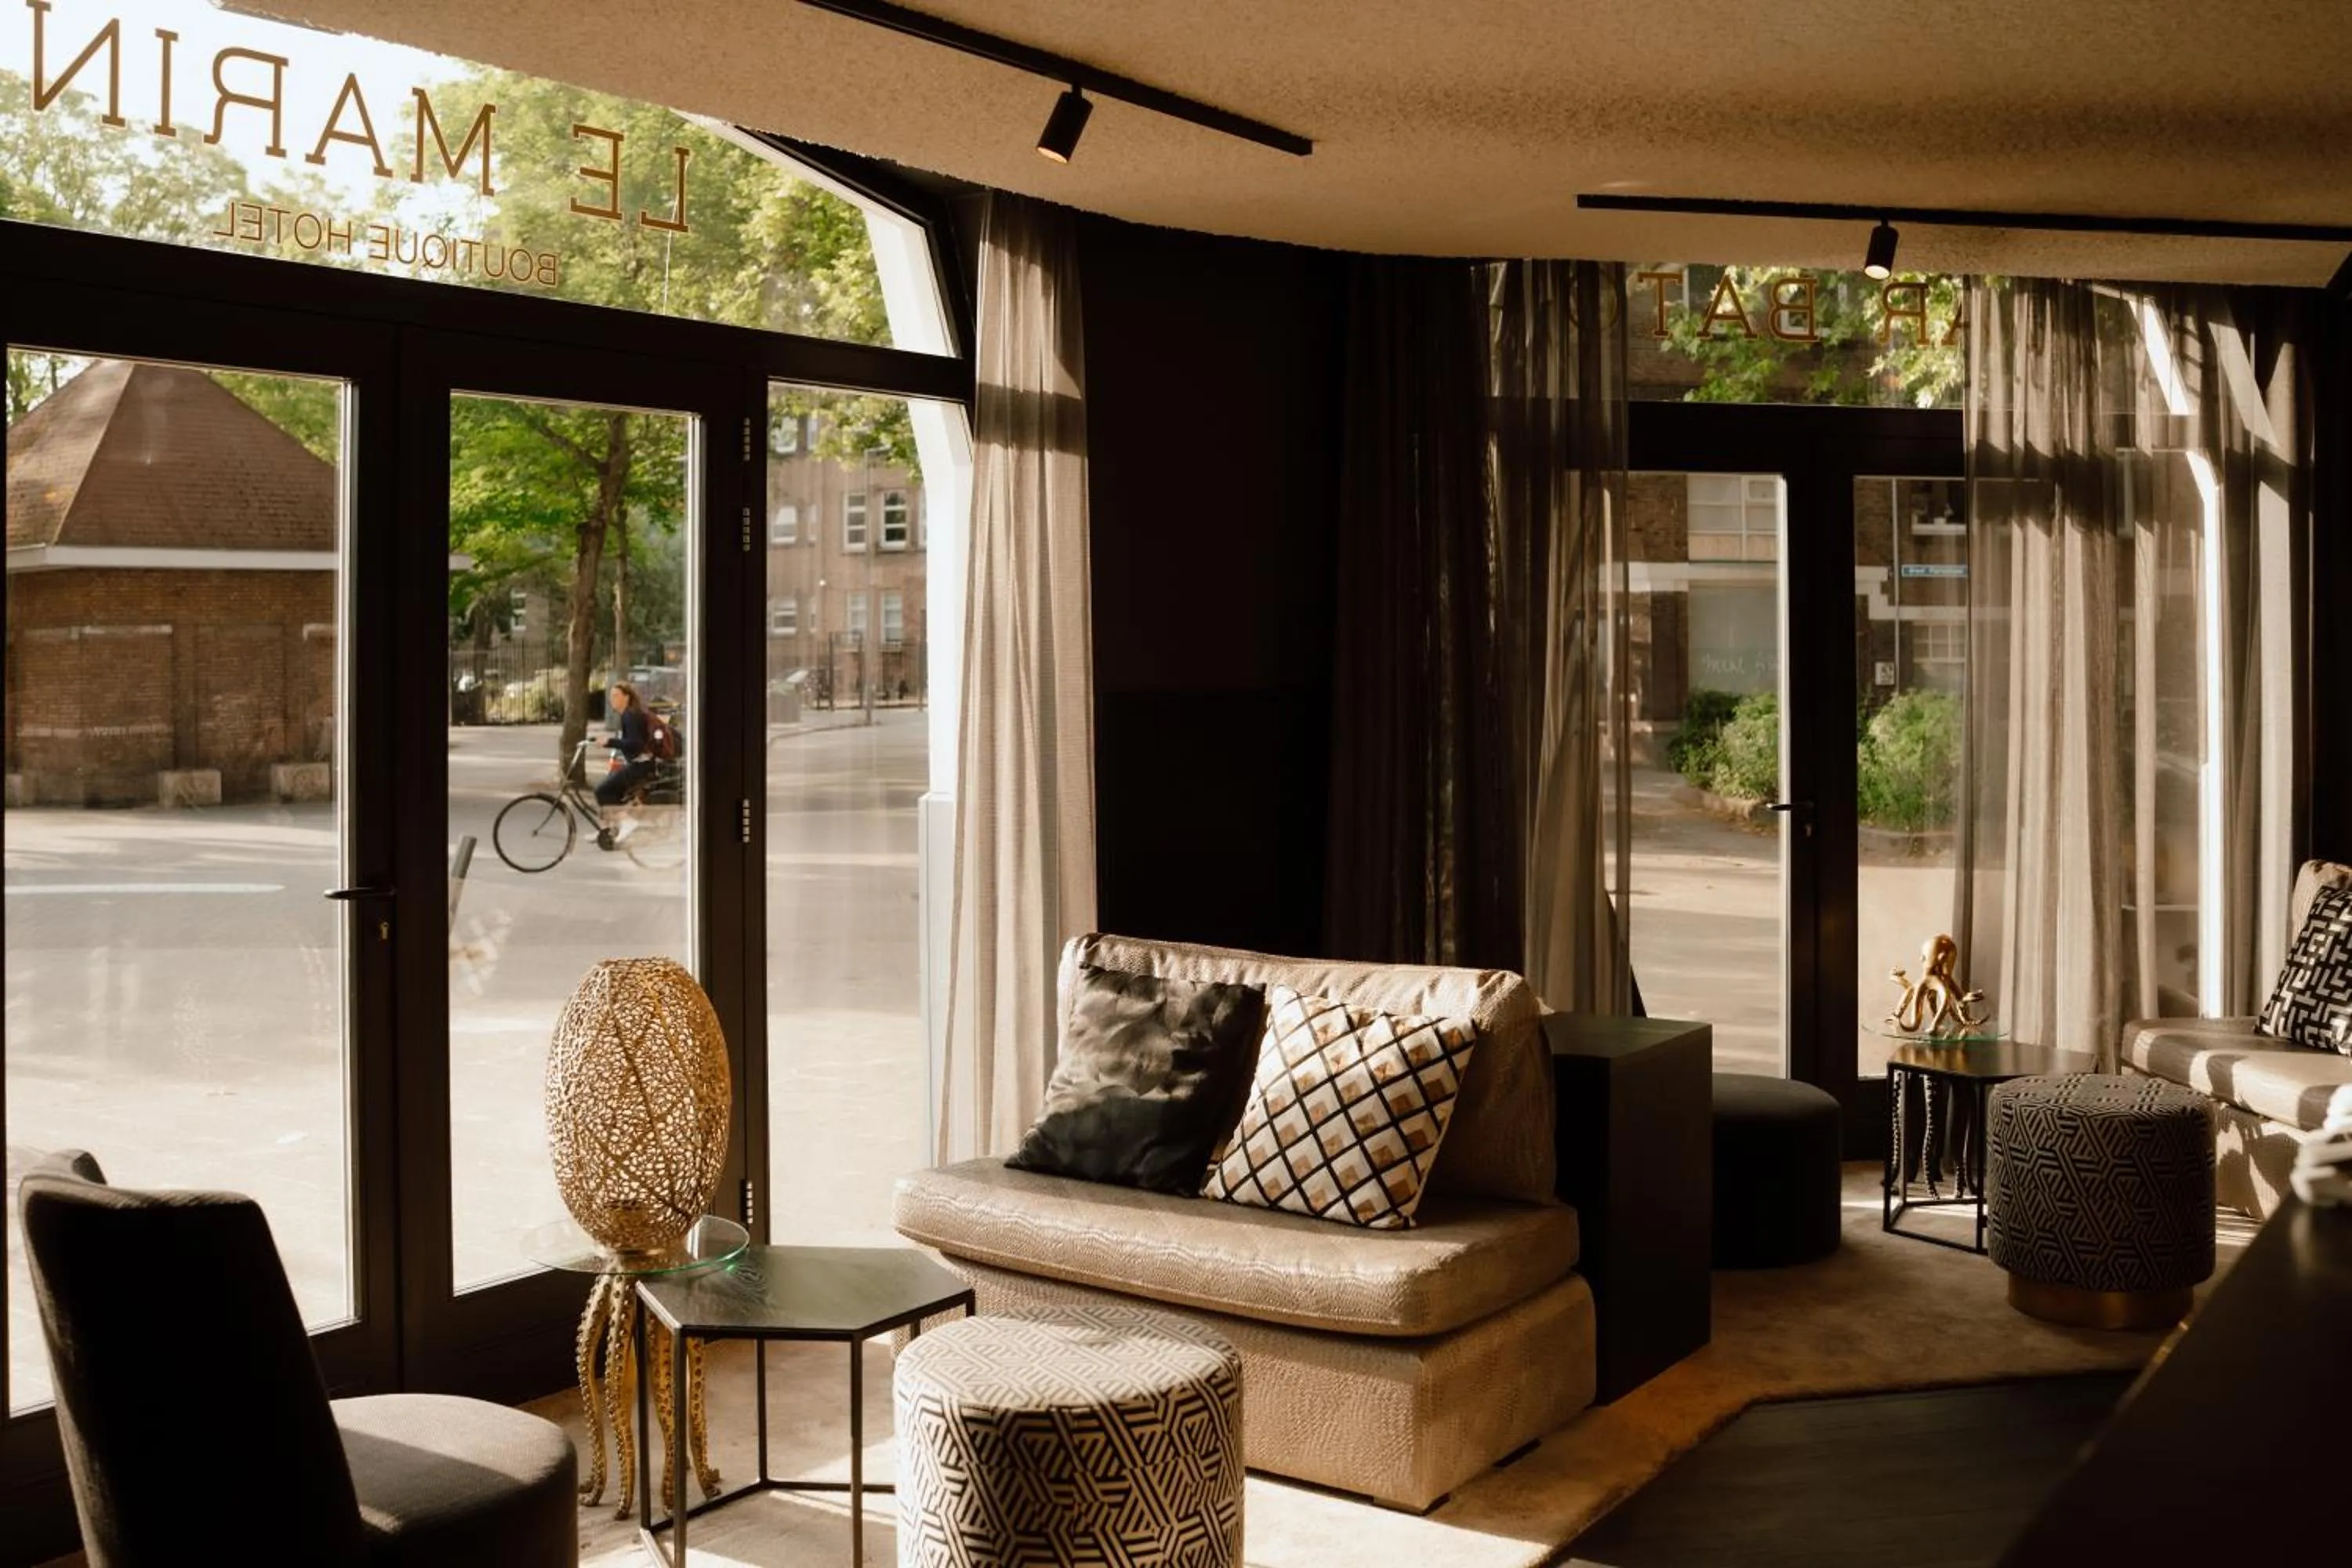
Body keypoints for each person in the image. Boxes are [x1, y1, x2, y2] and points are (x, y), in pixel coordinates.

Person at [595, 681, 655, 840]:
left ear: (627, 697)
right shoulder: (629, 714)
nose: (612, 700)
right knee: (610, 788)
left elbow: (636, 744)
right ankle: (607, 832)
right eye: (611, 696)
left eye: (616, 696)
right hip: (638, 764)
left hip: (641, 766)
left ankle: (626, 822)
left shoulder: (631, 715)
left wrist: (610, 742)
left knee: (601, 790)